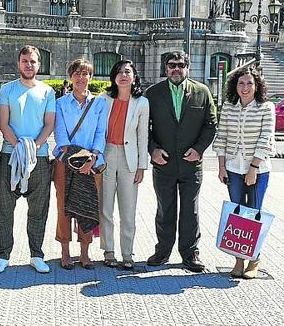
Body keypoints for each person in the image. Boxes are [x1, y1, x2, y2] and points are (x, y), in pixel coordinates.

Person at [145, 51, 216, 272]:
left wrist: (199, 149)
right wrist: (153, 150)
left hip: (191, 165)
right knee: (165, 209)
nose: (176, 69)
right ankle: (163, 251)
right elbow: (143, 127)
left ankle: (190, 253)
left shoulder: (202, 92)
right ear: (165, 69)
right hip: (163, 164)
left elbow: (211, 124)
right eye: (172, 65)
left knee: (190, 210)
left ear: (188, 67)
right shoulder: (153, 94)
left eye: (181, 65)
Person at [0, 45, 56, 274]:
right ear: (19, 63)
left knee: (38, 210)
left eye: (33, 61)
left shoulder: (48, 92)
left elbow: (49, 123)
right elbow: (4, 123)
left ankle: (36, 254)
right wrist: (19, 146)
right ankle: (2, 254)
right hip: (10, 156)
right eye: (25, 61)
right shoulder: (7, 90)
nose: (29, 65)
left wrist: (33, 146)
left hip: (38, 158)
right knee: (4, 207)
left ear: (39, 65)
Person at [213, 66, 275, 279]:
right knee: (237, 214)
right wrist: (221, 166)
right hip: (233, 168)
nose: (245, 87)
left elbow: (265, 138)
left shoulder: (266, 107)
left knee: (254, 213)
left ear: (257, 86)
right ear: (235, 86)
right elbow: (221, 138)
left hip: (258, 169)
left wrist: (253, 168)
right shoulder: (229, 107)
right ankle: (238, 259)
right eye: (241, 83)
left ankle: (254, 259)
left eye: (250, 83)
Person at [52, 59, 107, 270]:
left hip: (92, 164)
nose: (81, 78)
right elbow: (61, 134)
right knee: (64, 208)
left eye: (85, 74)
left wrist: (92, 157)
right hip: (66, 161)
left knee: (88, 206)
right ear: (70, 76)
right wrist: (75, 159)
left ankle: (85, 253)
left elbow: (101, 132)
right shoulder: (60, 103)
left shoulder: (99, 104)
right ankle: (65, 252)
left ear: (91, 77)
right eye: (77, 73)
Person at [98, 60, 149, 270]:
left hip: (130, 159)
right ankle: (108, 250)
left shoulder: (142, 103)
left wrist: (142, 166)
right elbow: (98, 131)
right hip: (107, 154)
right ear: (113, 77)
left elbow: (143, 136)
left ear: (134, 76)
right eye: (119, 72)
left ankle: (127, 252)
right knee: (106, 207)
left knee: (128, 210)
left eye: (127, 72)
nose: (123, 75)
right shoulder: (104, 99)